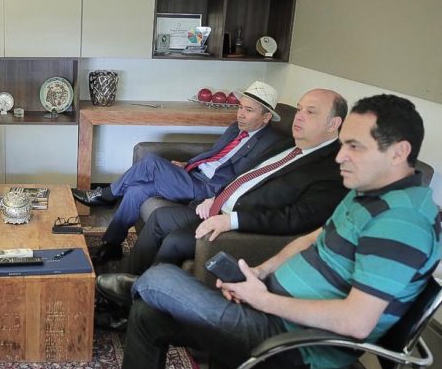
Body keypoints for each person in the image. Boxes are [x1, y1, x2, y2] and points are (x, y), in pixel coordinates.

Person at [120, 94, 440, 369]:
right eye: (344, 144)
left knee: (160, 278)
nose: (341, 156)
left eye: (354, 147)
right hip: (270, 307)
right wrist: (260, 273)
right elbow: (309, 238)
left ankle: (127, 290)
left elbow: (356, 322)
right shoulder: (367, 194)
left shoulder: (402, 223)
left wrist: (264, 300)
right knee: (148, 315)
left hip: (291, 343)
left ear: (398, 152)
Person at [96, 89, 349, 307]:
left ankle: (139, 300)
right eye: (299, 109)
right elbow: (243, 175)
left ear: (333, 123)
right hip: (216, 206)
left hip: (237, 225)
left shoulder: (332, 170)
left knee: (174, 240)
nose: (299, 116)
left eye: (310, 112)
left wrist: (233, 220)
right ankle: (119, 284)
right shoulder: (287, 145)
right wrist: (216, 197)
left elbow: (296, 219)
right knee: (160, 218)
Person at [72, 81, 289, 265]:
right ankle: (112, 245)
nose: (240, 114)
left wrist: (215, 198)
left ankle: (107, 195)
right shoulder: (235, 128)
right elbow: (215, 154)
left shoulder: (269, 144)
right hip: (194, 176)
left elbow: (246, 179)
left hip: (208, 189)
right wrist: (186, 165)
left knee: (151, 162)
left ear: (266, 117)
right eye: (240, 107)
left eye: (248, 110)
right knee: (136, 191)